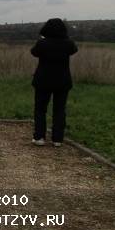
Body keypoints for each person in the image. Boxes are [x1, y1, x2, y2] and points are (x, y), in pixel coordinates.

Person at [30, 18, 78, 147]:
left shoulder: (42, 43)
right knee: (59, 109)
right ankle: (58, 139)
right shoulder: (69, 44)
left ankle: (39, 137)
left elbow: (33, 52)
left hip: (43, 81)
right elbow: (74, 50)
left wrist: (42, 39)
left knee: (40, 109)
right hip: (62, 81)